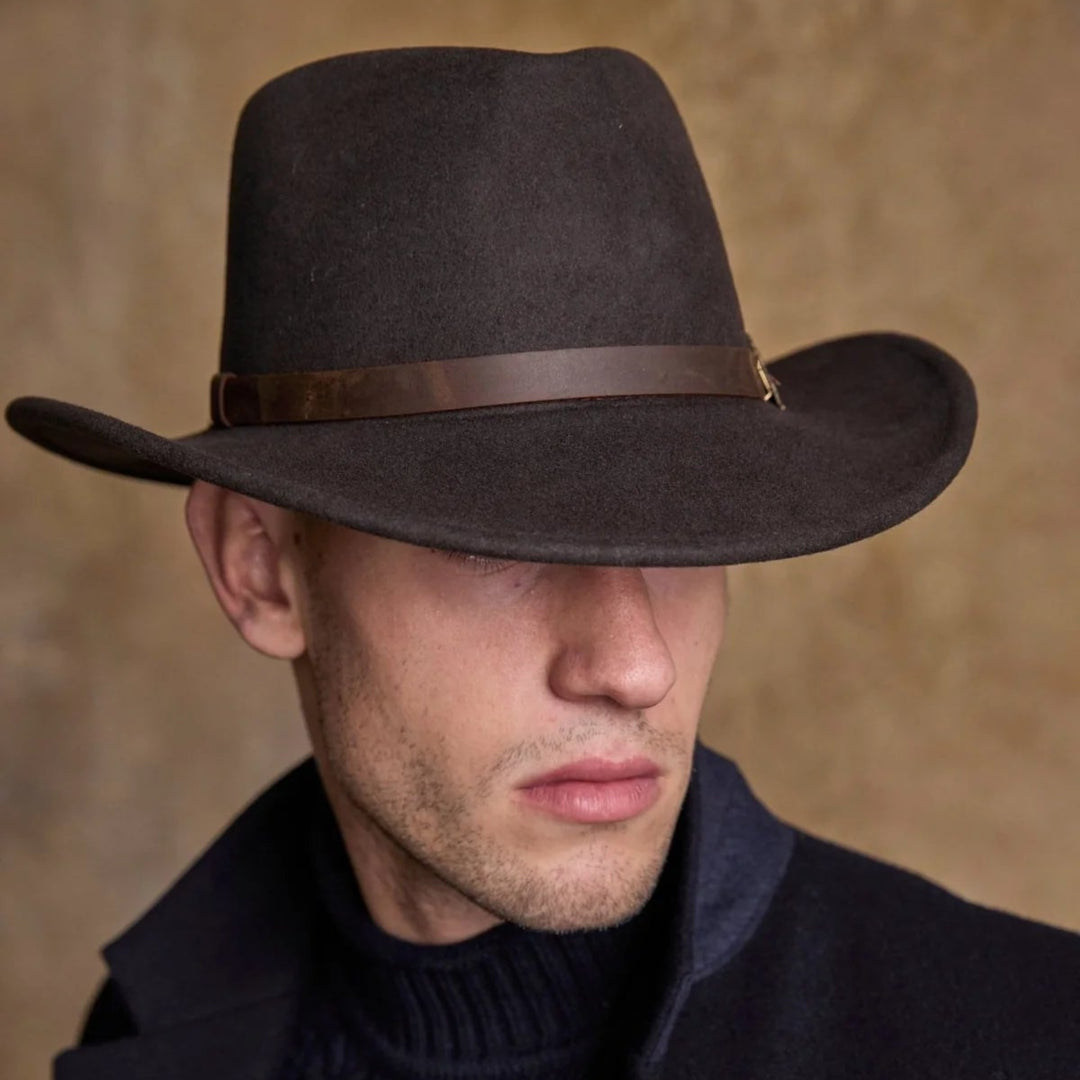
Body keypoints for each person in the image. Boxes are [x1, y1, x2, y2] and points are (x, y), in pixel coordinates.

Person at [6, 45, 1078, 1080]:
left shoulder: (1029, 1038)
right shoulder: (149, 1035)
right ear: (260, 569)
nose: (635, 666)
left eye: (683, 530)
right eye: (492, 541)